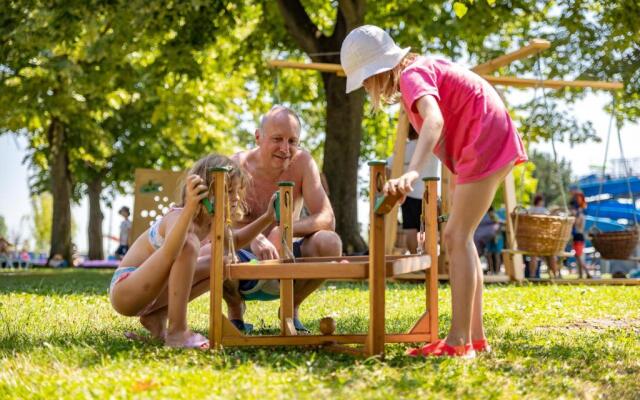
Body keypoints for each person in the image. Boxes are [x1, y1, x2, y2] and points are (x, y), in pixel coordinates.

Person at [341, 25, 527, 357]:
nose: (368, 88)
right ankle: (475, 338)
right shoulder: (419, 70)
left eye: (366, 80)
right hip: (487, 135)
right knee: (460, 237)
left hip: (486, 138)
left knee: (455, 237)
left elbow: (436, 121)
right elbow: (456, 121)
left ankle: (458, 342)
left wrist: (413, 170)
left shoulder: (411, 76)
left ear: (379, 70)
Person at [109, 154, 276, 349]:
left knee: (220, 263)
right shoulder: (176, 216)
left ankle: (156, 317)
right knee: (188, 244)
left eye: (238, 191)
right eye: (229, 191)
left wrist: (267, 217)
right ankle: (177, 331)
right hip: (127, 290)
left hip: (153, 297)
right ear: (204, 192)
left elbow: (236, 240)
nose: (236, 197)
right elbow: (171, 252)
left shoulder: (213, 223)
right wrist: (189, 207)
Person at [223, 105, 343, 333]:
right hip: (241, 254)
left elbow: (327, 218)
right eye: (277, 139)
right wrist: (254, 236)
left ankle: (291, 307)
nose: (285, 149)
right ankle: (235, 311)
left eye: (292, 141)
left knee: (331, 242)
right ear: (258, 137)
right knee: (217, 248)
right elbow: (215, 223)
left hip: (288, 256)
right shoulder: (235, 165)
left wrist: (284, 229)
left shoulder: (304, 163)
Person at [387, 125, 439, 253]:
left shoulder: (403, 149)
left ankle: (415, 257)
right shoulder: (432, 147)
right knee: (429, 228)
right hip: (429, 193)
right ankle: (429, 260)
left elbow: (387, 167)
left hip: (408, 194)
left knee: (410, 228)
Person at [527, 194, 560, 278]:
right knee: (551, 255)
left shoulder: (530, 210)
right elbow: (550, 219)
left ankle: (532, 275)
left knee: (533, 256)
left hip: (532, 236)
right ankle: (555, 275)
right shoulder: (543, 210)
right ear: (540, 201)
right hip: (544, 237)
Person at [569, 188, 591, 279]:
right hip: (577, 236)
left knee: (578, 256)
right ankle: (581, 275)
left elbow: (577, 224)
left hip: (578, 236)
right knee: (578, 256)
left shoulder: (580, 214)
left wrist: (573, 217)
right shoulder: (581, 212)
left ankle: (587, 273)